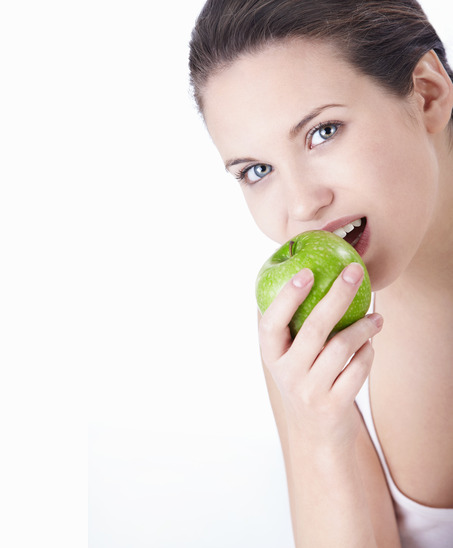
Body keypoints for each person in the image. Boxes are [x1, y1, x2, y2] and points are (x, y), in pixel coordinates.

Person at [188, 1, 453, 546]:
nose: (301, 205)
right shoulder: (309, 327)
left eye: (323, 132)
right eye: (257, 170)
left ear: (427, 94)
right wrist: (318, 434)